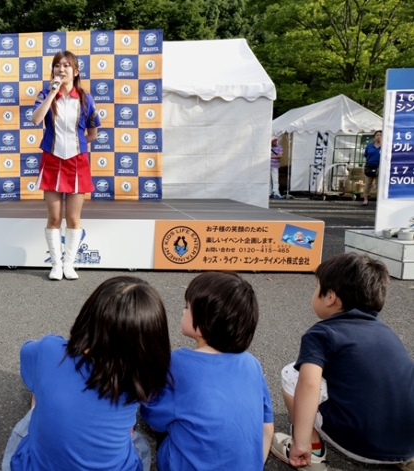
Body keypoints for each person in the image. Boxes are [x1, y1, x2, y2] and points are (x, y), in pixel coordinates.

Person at [1, 276, 171, 471]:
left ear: (87, 316)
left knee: (33, 415)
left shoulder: (50, 350)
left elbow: (27, 355)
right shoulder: (142, 375)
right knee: (138, 444)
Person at [271, 253, 414, 471]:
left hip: (358, 443)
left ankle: (311, 451)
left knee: (292, 374)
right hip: (408, 442)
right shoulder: (387, 333)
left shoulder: (322, 333)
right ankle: (405, 457)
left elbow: (309, 383)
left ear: (330, 297)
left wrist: (300, 441)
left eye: (317, 287)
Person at [141, 272, 274, 471]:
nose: (182, 311)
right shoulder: (252, 364)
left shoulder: (178, 363)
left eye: (187, 307)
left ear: (205, 322)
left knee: (151, 438)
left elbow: (153, 418)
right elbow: (267, 425)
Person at [32, 50, 101, 281]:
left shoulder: (85, 99)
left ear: (76, 71)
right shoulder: (45, 94)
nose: (61, 69)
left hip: (77, 162)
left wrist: (76, 146)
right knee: (54, 218)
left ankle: (69, 264)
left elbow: (92, 134)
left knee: (73, 218)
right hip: (51, 160)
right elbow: (36, 119)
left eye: (66, 65)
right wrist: (53, 92)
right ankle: (56, 264)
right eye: (57, 65)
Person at [362, 130, 382, 206]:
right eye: (377, 135)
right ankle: (365, 199)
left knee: (378, 184)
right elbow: (366, 155)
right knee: (367, 184)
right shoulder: (369, 146)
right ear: (374, 137)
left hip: (380, 167)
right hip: (370, 166)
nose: (379, 136)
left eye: (380, 135)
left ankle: (379, 200)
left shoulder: (384, 146)